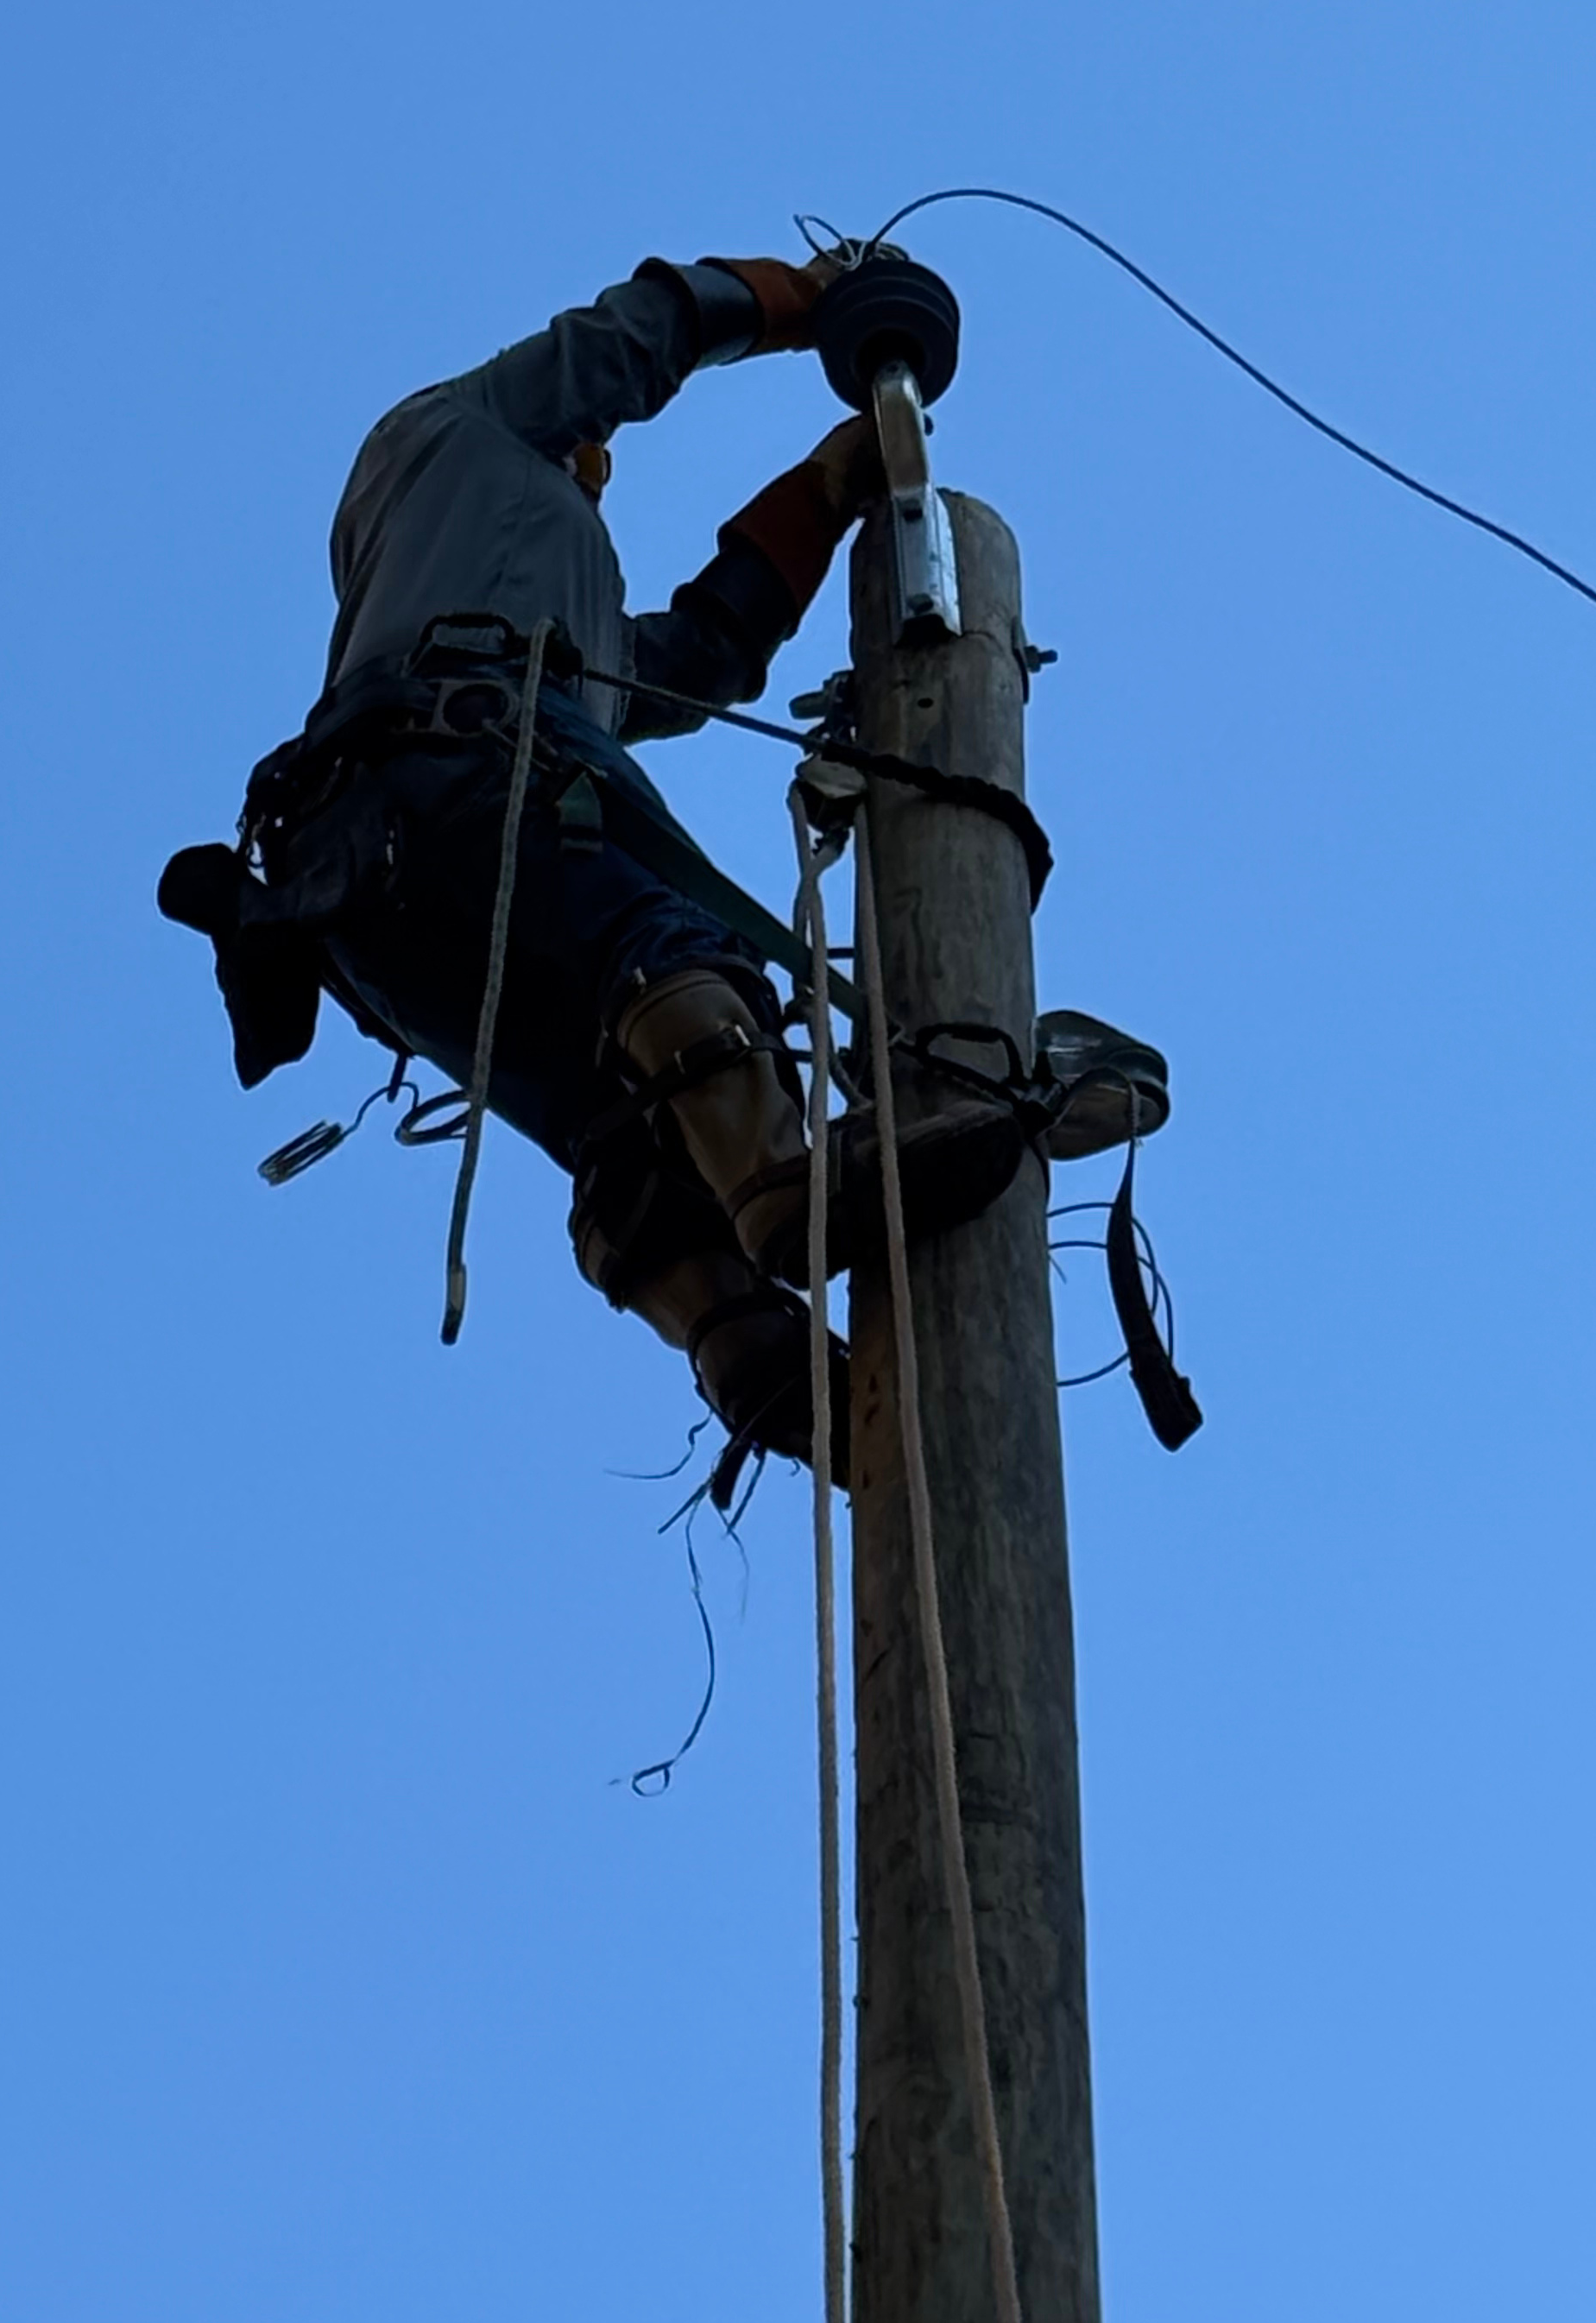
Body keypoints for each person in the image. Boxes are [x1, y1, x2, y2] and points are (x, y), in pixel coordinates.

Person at [159, 245, 1012, 1479]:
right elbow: (635, 339)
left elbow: (710, 650)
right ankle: (779, 1176)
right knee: (665, 946)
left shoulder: (578, 635)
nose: (596, 466)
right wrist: (809, 295)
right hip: (461, 768)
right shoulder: (452, 435)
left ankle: (742, 1345)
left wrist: (829, 487)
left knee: (615, 1117)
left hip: (372, 908)